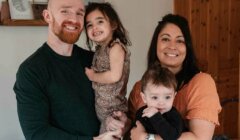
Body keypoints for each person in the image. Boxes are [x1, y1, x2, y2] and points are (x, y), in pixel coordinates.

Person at [13, 0, 130, 140]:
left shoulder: (95, 61)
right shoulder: (31, 71)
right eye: (65, 11)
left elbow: (114, 102)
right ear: (47, 16)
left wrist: (123, 122)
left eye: (80, 13)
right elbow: (37, 134)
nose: (74, 19)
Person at [128, 14, 222, 140]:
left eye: (180, 40)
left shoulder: (201, 82)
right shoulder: (139, 87)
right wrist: (122, 125)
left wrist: (147, 138)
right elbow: (133, 130)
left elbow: (201, 138)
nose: (172, 46)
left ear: (187, 47)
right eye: (165, 39)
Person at [84, 2, 131, 134]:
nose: (95, 27)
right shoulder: (100, 49)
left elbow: (114, 76)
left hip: (113, 110)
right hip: (102, 109)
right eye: (89, 25)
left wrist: (93, 76)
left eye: (100, 21)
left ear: (113, 25)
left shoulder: (115, 47)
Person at [135, 62, 186, 140]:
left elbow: (172, 137)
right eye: (155, 97)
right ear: (144, 98)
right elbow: (134, 133)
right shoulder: (141, 113)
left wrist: (155, 116)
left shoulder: (174, 116)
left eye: (167, 97)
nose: (161, 103)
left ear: (174, 96)